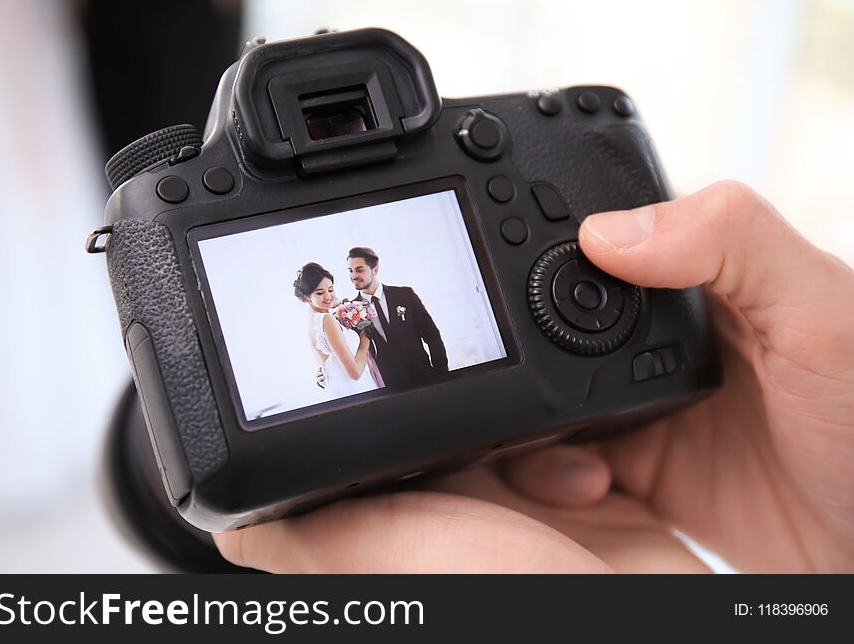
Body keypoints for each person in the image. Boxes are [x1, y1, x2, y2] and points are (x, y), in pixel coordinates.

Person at [221, 182, 854, 573]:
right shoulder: (339, 324)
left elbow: (434, 339)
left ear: (367, 270)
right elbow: (359, 366)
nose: (343, 289)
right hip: (392, 400)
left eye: (348, 278)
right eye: (332, 286)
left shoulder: (403, 292)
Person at [345, 246, 449, 389]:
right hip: (387, 385)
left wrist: (442, 375)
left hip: (424, 377)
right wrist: (325, 373)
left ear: (375, 270)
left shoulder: (405, 295)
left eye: (359, 269)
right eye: (350, 270)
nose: (353, 276)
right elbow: (346, 350)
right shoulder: (349, 312)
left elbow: (432, 336)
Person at [293, 263, 379, 400]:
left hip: (336, 389)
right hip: (353, 390)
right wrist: (365, 339)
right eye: (320, 293)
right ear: (307, 296)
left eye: (331, 289)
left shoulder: (312, 320)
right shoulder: (326, 319)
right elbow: (355, 373)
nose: (328, 296)